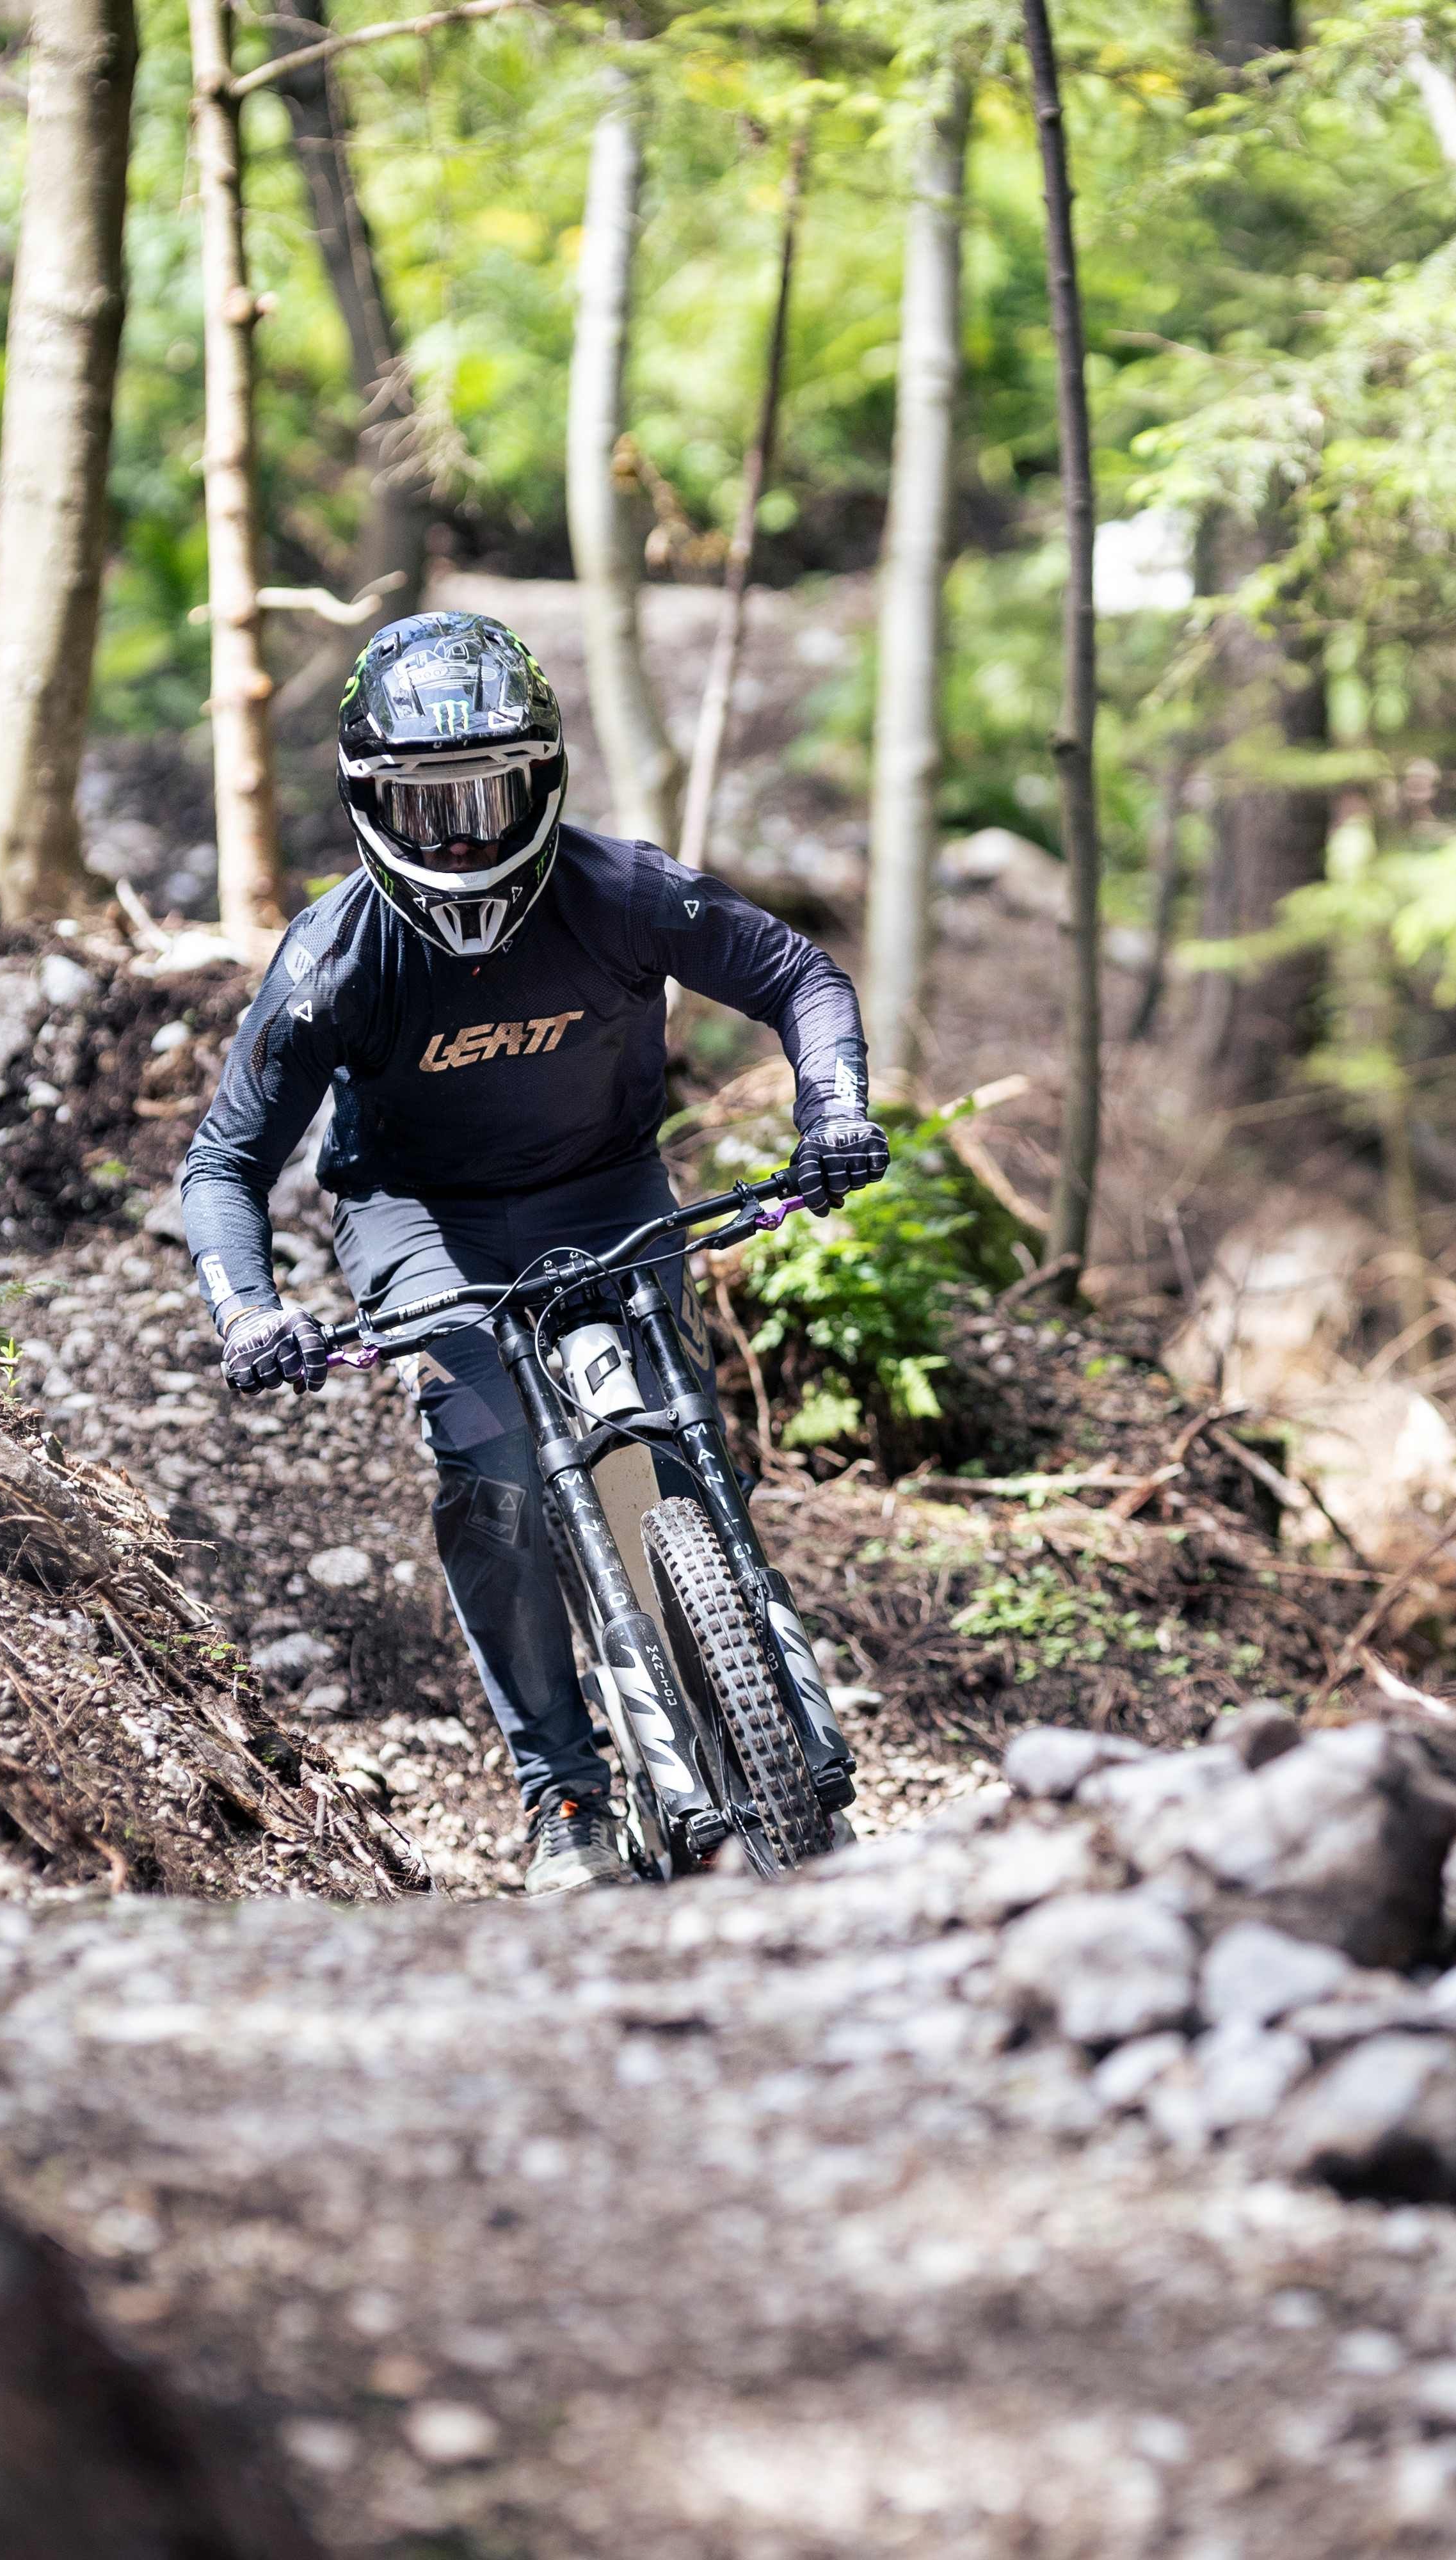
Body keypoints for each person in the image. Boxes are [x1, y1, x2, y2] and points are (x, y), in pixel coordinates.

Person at [179, 612, 890, 1892]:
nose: (463, 836)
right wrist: (247, 1312)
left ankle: (766, 1717)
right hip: (422, 1216)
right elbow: (224, 1161)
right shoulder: (332, 961)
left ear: (547, 781)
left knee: (677, 1440)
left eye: (492, 797)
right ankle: (563, 1792)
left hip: (610, 1188)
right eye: (428, 805)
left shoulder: (622, 892)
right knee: (493, 1464)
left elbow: (799, 977)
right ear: (367, 805)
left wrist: (832, 1105)